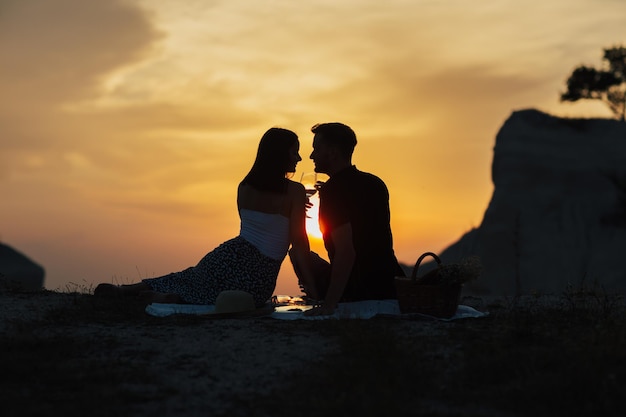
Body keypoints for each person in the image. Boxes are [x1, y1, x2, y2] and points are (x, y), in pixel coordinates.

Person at [94, 127, 318, 307]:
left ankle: (126, 290)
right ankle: (174, 301)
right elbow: (299, 242)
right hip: (258, 271)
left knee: (186, 279)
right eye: (294, 151)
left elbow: (258, 226)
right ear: (280, 154)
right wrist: (312, 287)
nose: (298, 157)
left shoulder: (245, 186)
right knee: (238, 298)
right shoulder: (295, 191)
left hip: (226, 255)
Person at [290, 122, 405, 316]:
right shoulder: (375, 183)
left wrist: (329, 305)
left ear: (333, 152)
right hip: (388, 283)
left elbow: (346, 252)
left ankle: (319, 299)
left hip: (356, 289)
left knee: (299, 254)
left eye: (316, 149)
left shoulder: (332, 192)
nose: (311, 156)